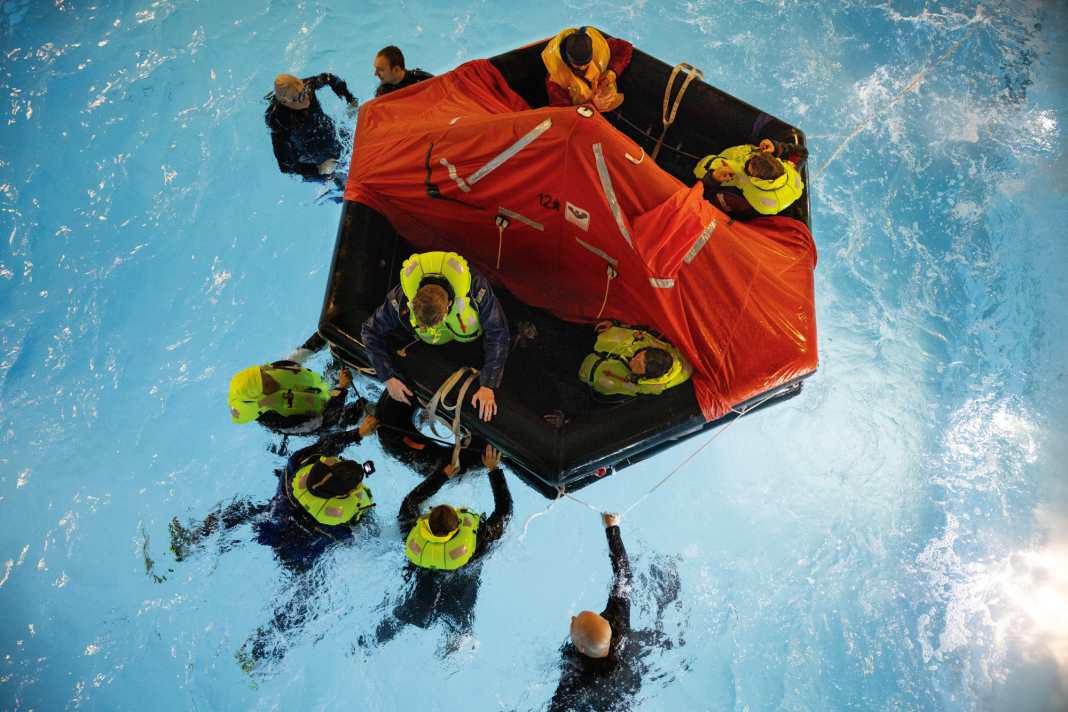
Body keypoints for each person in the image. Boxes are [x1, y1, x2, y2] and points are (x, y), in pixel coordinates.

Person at [366, 444, 511, 653]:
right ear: (460, 525)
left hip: (421, 593)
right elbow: (505, 510)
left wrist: (442, 476)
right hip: (459, 595)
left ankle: (373, 641)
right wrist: (493, 469)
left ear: (425, 523)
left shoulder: (412, 535)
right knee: (460, 624)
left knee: (407, 615)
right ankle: (453, 647)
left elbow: (410, 502)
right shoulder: (476, 541)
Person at [360, 251, 510, 421]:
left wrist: (488, 385)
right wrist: (387, 376)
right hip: (432, 345)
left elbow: (498, 332)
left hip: (471, 340)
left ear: (449, 307)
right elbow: (369, 330)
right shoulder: (401, 299)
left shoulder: (475, 288)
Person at [548, 512, 634, 711]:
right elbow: (624, 574)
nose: (572, 617)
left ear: (582, 650)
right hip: (628, 679)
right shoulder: (618, 618)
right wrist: (612, 528)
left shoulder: (577, 676)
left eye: (573, 623)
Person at [228, 359, 363, 435]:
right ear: (261, 397)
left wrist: (325, 335)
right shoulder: (279, 421)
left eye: (265, 375)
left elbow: (303, 353)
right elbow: (327, 420)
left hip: (317, 392)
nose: (271, 379)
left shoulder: (271, 371)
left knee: (342, 363)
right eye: (266, 384)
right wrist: (341, 388)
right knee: (363, 408)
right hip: (323, 419)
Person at [265, 72, 357, 180]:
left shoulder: (306, 86)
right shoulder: (278, 120)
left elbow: (329, 78)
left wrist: (351, 100)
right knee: (342, 179)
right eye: (299, 97)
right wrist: (318, 169)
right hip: (312, 154)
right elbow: (285, 166)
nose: (306, 97)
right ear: (285, 102)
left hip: (329, 129)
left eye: (304, 91)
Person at [693, 138, 808, 217]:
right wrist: (777, 147)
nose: (746, 163)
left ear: (754, 180)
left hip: (700, 172)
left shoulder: (739, 201)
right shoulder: (791, 170)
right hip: (722, 154)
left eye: (748, 168)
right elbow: (802, 152)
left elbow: (700, 200)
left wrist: (713, 179)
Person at [578, 323, 692, 397]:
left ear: (644, 376)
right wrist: (614, 325)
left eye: (638, 366)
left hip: (587, 372)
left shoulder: (648, 387)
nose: (633, 360)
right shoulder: (655, 344)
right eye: (639, 357)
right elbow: (636, 330)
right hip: (596, 343)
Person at [541, 26, 633, 112]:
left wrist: (612, 72)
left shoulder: (599, 47)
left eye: (587, 63)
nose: (583, 68)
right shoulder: (555, 79)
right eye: (578, 65)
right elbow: (564, 115)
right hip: (585, 117)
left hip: (607, 104)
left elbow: (625, 47)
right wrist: (592, 105)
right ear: (567, 60)